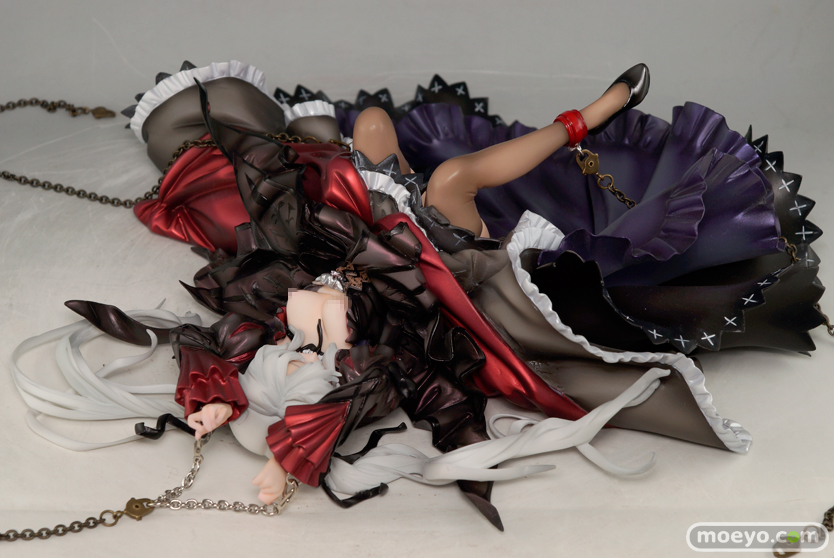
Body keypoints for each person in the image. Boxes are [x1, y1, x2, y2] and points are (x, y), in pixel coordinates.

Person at [39, 60, 826, 527]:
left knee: (373, 127)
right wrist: (283, 464)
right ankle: (594, 115)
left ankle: (414, 164)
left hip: (366, 223)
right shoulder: (373, 361)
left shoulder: (269, 316)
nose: (300, 355)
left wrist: (211, 397)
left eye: (284, 361)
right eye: (308, 368)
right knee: (453, 179)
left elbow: (209, 334)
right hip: (446, 272)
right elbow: (391, 398)